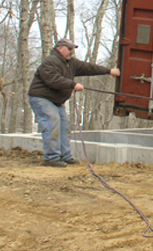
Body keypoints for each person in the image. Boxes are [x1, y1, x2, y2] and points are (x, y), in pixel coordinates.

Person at [28, 38, 120, 167]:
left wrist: (109, 71)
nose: (71, 51)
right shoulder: (50, 62)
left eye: (72, 49)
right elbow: (53, 80)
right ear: (60, 48)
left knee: (64, 126)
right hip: (41, 98)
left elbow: (89, 68)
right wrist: (73, 84)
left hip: (56, 101)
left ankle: (65, 156)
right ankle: (51, 158)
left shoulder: (71, 63)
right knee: (52, 123)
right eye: (69, 48)